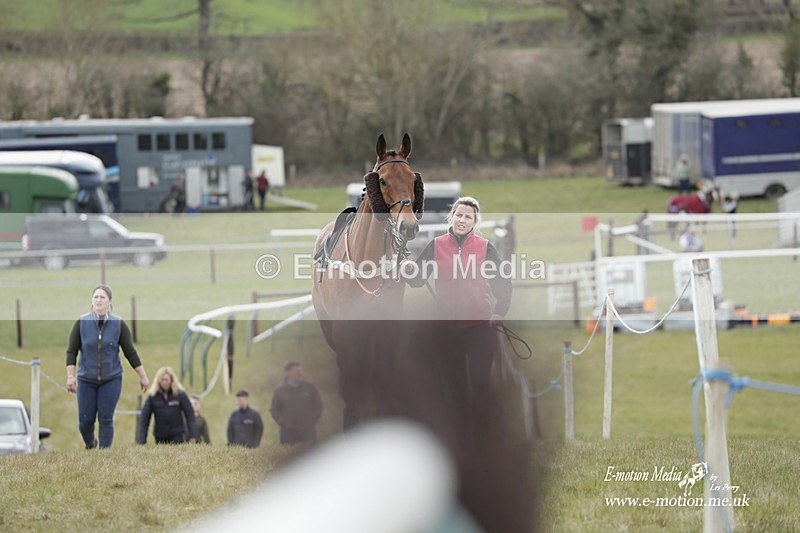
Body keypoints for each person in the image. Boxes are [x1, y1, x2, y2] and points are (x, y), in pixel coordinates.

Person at [402, 196, 512, 439]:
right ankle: (460, 435)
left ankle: (484, 435)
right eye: (459, 215)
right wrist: (409, 270)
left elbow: (502, 283)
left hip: (480, 327)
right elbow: (419, 280)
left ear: (475, 222)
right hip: (445, 330)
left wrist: (499, 310)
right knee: (454, 385)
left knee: (481, 382)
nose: (462, 220)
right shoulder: (436, 245)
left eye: (468, 217)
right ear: (451, 217)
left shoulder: (485, 247)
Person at [66, 285, 149, 449]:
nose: (98, 300)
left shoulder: (118, 324)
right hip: (86, 379)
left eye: (102, 297)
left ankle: (104, 455)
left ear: (110, 302)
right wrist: (70, 376)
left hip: (111, 379)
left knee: (105, 418)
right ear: (92, 300)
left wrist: (143, 376)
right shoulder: (81, 323)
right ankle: (90, 443)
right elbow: (71, 351)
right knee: (85, 420)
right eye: (95, 297)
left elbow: (130, 352)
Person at [137, 366, 197, 444]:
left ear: (171, 380)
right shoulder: (152, 397)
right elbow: (145, 418)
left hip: (177, 435)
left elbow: (190, 414)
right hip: (160, 436)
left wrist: (192, 435)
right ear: (158, 381)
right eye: (162, 380)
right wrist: (142, 440)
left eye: (166, 380)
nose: (164, 382)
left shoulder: (180, 394)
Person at [270, 361, 324, 445]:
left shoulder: (309, 387)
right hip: (288, 435)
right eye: (297, 371)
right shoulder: (279, 391)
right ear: (287, 373)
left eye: (301, 371)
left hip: (308, 434)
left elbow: (318, 405)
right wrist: (284, 423)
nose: (300, 373)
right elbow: (274, 410)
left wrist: (312, 420)